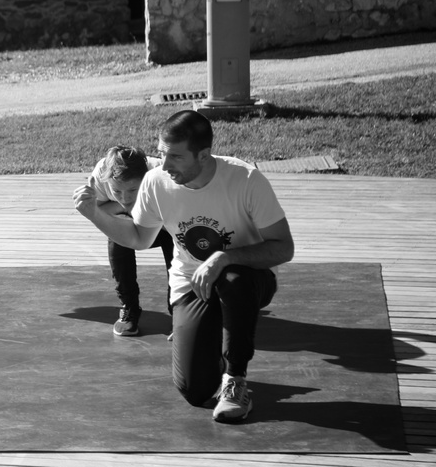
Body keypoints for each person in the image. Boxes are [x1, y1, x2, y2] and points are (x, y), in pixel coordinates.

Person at [72, 110, 294, 422]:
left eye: (175, 156)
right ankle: (211, 352)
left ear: (203, 155)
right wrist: (95, 214)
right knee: (195, 390)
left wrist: (225, 257)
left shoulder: (245, 180)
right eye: (162, 154)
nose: (164, 165)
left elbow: (283, 247)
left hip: (249, 278)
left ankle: (235, 380)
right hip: (191, 282)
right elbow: (137, 238)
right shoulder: (156, 181)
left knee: (232, 279)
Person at [85, 145, 175, 337]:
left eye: (133, 189)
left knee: (175, 250)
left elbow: (176, 224)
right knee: (116, 235)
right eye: (116, 191)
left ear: (146, 178)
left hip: (165, 226)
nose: (125, 198)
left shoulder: (162, 176)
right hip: (132, 221)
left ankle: (178, 311)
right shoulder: (100, 175)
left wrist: (126, 209)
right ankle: (129, 307)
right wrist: (125, 209)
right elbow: (98, 211)